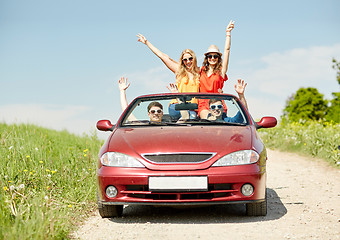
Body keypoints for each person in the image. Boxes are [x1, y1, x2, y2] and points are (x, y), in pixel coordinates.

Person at [137, 34, 200, 120]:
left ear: (194, 58)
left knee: (192, 116)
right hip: (176, 106)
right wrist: (147, 42)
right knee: (190, 117)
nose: (188, 61)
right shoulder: (179, 71)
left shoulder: (200, 72)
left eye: (190, 58)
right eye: (185, 60)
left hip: (192, 108)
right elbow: (163, 56)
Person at [199, 20, 235, 119]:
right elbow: (183, 67)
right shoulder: (200, 71)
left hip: (218, 105)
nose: (213, 58)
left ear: (219, 58)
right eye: (210, 56)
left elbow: (227, 50)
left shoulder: (221, 71)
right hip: (203, 104)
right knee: (210, 119)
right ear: (206, 58)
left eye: (215, 56)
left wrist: (228, 33)